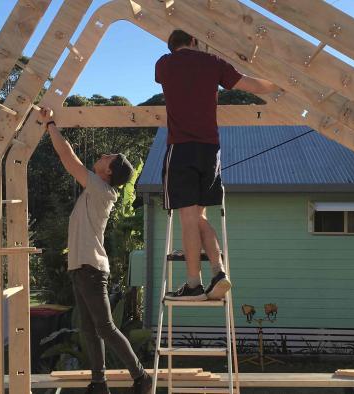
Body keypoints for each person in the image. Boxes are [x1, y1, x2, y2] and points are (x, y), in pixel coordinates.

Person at [156, 30, 278, 301]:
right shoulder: (213, 63)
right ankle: (218, 272)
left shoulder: (164, 64)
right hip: (210, 151)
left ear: (172, 44)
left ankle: (193, 285)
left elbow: (170, 79)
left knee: (187, 218)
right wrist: (282, 83)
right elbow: (253, 85)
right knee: (199, 217)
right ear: (195, 40)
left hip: (182, 148)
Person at [39, 107, 152, 394]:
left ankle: (141, 376)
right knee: (90, 330)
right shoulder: (96, 190)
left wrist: (50, 123)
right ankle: (99, 383)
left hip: (90, 269)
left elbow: (68, 158)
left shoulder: (101, 189)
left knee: (105, 327)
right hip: (81, 269)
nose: (101, 156)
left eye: (107, 158)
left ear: (108, 171)